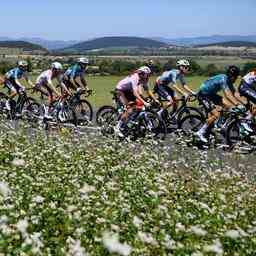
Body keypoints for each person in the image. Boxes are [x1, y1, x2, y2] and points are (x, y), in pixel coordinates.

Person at [196, 65, 249, 143]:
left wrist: (244, 103)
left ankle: (219, 124)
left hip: (211, 94)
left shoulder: (228, 80)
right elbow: (228, 95)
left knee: (228, 106)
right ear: (231, 75)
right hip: (203, 95)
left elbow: (234, 93)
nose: (236, 79)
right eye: (235, 77)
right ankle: (200, 133)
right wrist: (237, 104)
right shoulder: (223, 79)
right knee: (215, 115)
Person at [114, 66, 152, 136]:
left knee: (138, 105)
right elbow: (135, 93)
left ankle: (130, 123)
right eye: (147, 74)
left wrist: (151, 98)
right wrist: (144, 102)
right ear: (142, 73)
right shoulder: (135, 78)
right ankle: (117, 127)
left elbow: (146, 89)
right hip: (120, 91)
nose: (148, 76)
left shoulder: (142, 79)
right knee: (129, 109)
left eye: (149, 75)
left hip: (128, 91)